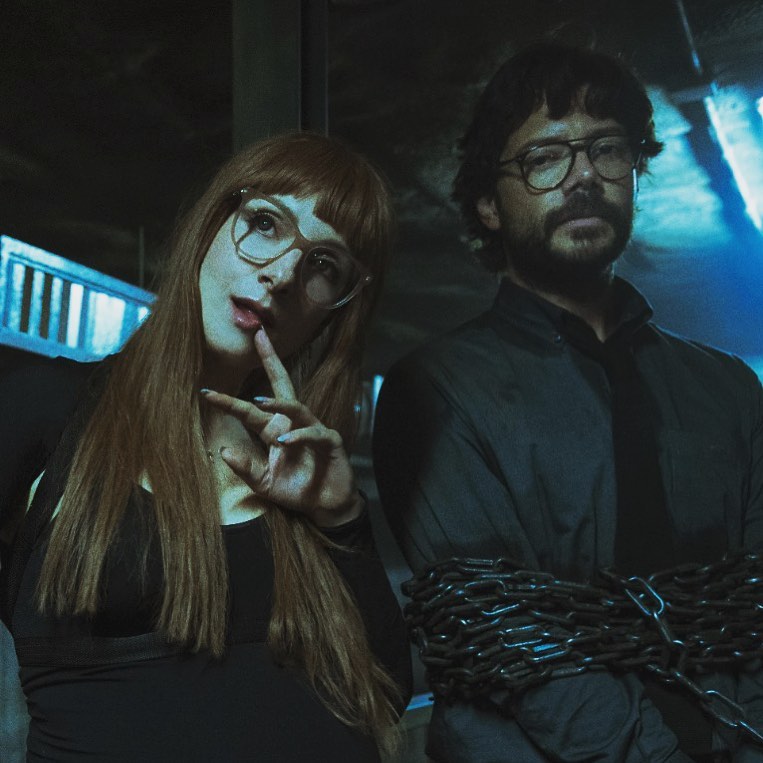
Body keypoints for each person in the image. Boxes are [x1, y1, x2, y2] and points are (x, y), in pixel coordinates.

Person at [373, 42, 763, 763]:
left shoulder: (729, 389)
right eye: (543, 158)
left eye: (606, 150)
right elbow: (510, 636)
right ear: (488, 205)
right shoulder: (434, 391)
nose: (583, 175)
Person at [0, 131, 412, 761]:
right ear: (211, 224)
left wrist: (343, 519)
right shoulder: (47, 409)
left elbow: (385, 691)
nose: (281, 274)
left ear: (333, 314)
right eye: (266, 224)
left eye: (324, 266)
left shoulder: (301, 468)